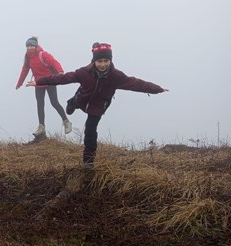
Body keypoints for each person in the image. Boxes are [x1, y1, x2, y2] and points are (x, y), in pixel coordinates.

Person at [27, 42, 168, 169]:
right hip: (82, 99)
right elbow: (63, 78)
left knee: (90, 131)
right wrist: (40, 81)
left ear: (110, 60)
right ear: (94, 61)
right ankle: (73, 102)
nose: (102, 64)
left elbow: (137, 84)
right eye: (99, 61)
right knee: (73, 105)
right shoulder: (84, 72)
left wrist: (157, 89)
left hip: (98, 106)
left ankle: (88, 162)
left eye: (106, 61)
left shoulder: (116, 77)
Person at [16, 36, 72, 136]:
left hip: (50, 81)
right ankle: (41, 127)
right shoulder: (28, 58)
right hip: (38, 83)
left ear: (36, 46)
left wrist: (60, 72)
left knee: (54, 102)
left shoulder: (43, 54)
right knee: (40, 105)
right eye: (27, 46)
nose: (29, 48)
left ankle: (66, 121)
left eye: (31, 46)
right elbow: (24, 70)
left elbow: (54, 62)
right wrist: (19, 83)